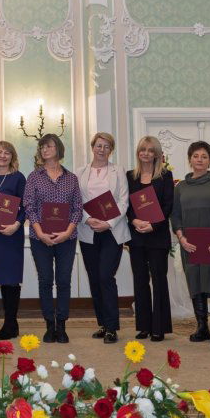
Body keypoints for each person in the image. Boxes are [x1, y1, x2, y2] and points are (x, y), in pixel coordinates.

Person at [23, 134, 82, 344]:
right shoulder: (34, 177)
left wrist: (67, 232)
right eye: (42, 147)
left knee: (64, 281)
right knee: (46, 280)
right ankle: (49, 325)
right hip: (40, 238)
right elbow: (29, 206)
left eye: (49, 146)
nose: (45, 150)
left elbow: (77, 208)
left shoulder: (72, 178)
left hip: (67, 237)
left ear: (58, 149)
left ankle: (62, 325)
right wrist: (39, 232)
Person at [76, 133, 131, 344]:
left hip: (112, 231)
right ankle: (102, 323)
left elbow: (123, 201)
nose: (102, 149)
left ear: (111, 150)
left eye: (106, 146)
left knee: (105, 276)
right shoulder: (80, 172)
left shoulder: (118, 171)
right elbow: (77, 200)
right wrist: (89, 219)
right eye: (99, 145)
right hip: (88, 230)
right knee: (94, 278)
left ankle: (111, 327)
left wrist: (108, 223)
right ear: (92, 147)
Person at [171, 141, 210, 345]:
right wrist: (181, 238)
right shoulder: (180, 187)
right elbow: (175, 216)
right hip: (190, 244)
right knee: (195, 282)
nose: (200, 160)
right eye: (196, 156)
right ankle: (201, 326)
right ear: (189, 160)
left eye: (204, 156)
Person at [126, 136, 174, 342]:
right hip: (136, 236)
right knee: (140, 281)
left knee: (159, 281)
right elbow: (125, 205)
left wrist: (152, 225)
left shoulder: (165, 176)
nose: (145, 153)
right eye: (142, 149)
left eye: (150, 150)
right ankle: (144, 326)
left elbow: (168, 206)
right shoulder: (130, 176)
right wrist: (135, 221)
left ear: (156, 154)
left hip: (157, 237)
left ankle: (159, 327)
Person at [0, 141, 26, 340]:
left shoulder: (18, 178)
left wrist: (16, 225)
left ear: (12, 157)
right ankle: (10, 324)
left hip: (12, 234)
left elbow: (25, 206)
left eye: (7, 152)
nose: (3, 155)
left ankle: (11, 323)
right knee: (2, 280)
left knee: (12, 281)